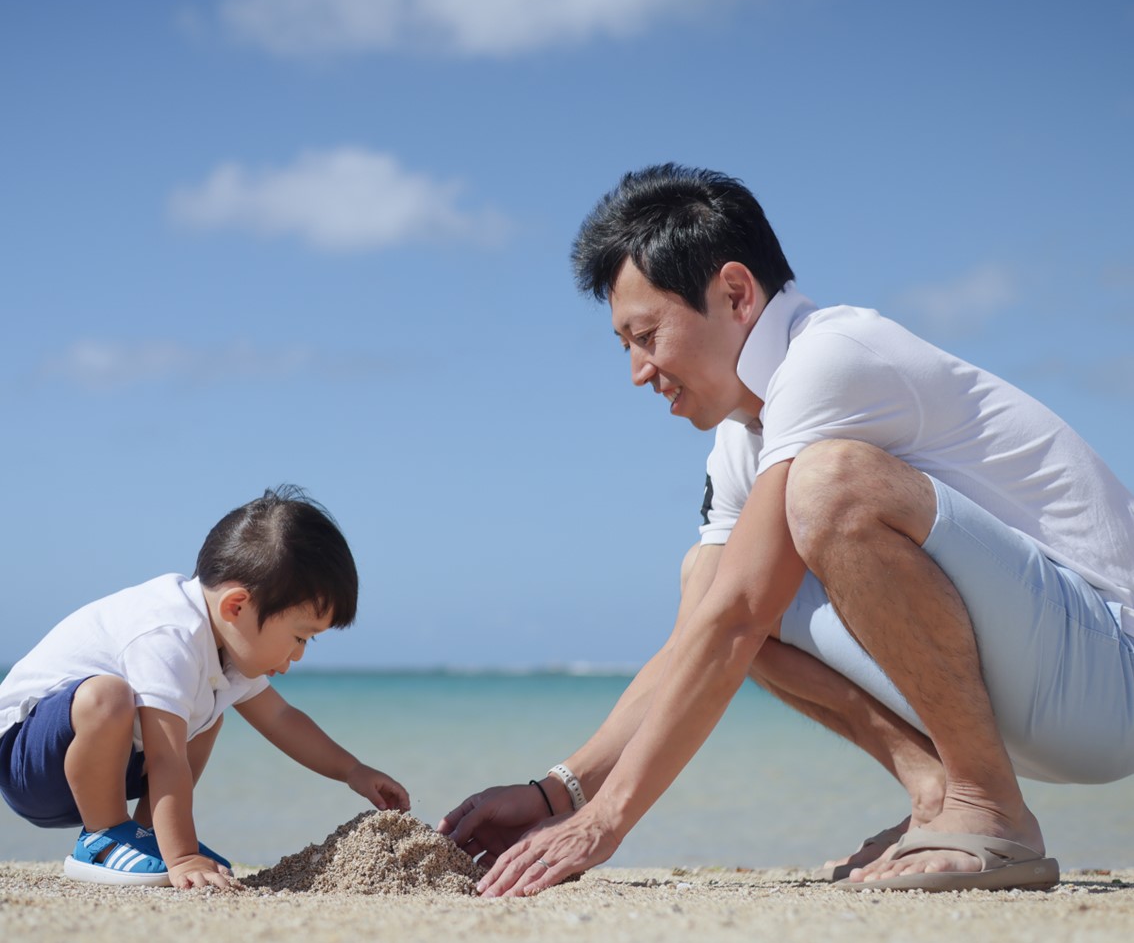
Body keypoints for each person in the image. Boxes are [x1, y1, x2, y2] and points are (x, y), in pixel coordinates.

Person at [440, 163, 1134, 897]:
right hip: (1035, 684)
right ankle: (940, 794)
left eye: (646, 335)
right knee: (705, 576)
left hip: (1109, 671)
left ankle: (988, 809)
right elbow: (706, 631)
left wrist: (606, 823)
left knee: (830, 487)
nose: (639, 372)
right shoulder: (745, 438)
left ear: (736, 294)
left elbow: (741, 617)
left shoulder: (833, 357)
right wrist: (561, 794)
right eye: (625, 346)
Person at [0, 486, 408, 889]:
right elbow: (166, 759)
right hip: (28, 759)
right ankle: (104, 839)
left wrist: (353, 770)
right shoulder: (170, 634)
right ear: (237, 606)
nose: (299, 654)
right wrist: (183, 857)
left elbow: (282, 719)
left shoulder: (226, 652)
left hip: (97, 764)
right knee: (109, 697)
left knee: (207, 714)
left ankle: (146, 835)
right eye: (301, 637)